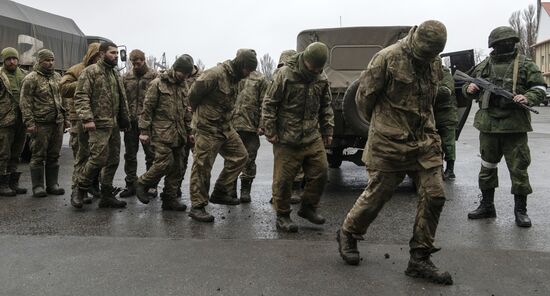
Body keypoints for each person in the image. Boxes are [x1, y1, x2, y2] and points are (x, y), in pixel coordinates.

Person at [336, 20, 453, 285]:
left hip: (424, 139)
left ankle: (419, 259)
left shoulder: (433, 61)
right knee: (378, 194)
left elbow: (432, 96)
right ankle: (348, 233)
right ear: (414, 39)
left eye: (431, 54)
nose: (427, 58)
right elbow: (363, 100)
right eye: (424, 52)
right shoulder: (386, 59)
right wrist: (386, 124)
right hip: (389, 141)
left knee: (435, 196)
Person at [464, 26, 546, 228]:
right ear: (494, 45)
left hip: (515, 126)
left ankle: (521, 210)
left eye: (508, 43)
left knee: (519, 169)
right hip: (489, 126)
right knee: (487, 167)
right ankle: (487, 205)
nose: (505, 46)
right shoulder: (484, 65)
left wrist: (528, 97)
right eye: (501, 44)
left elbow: (540, 87)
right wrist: (470, 88)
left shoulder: (525, 64)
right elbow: (467, 88)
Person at [262, 42, 334, 232]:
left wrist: (328, 130)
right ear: (305, 60)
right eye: (313, 67)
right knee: (284, 180)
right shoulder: (284, 74)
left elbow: (326, 105)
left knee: (322, 171)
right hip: (287, 137)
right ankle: (283, 215)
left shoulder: (321, 77)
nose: (316, 71)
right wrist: (270, 130)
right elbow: (269, 104)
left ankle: (308, 208)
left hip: (311, 134)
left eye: (320, 68)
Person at [187, 49, 257, 222]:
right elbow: (192, 95)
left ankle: (220, 191)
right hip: (207, 127)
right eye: (247, 69)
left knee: (241, 156)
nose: (248, 74)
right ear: (241, 64)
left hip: (225, 127)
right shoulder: (215, 74)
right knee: (202, 166)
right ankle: (197, 206)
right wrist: (199, 117)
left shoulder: (237, 79)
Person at [72, 41, 130, 209]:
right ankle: (79, 189)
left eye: (117, 54)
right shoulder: (90, 72)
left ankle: (106, 195)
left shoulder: (114, 73)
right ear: (102, 53)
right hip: (97, 124)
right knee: (97, 159)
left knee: (113, 160)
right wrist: (87, 119)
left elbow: (121, 98)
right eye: (112, 53)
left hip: (113, 125)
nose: (116, 56)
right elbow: (81, 96)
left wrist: (124, 120)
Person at [135, 54, 194, 211]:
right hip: (161, 132)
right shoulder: (158, 84)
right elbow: (147, 109)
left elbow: (186, 111)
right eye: (184, 73)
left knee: (178, 167)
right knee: (164, 163)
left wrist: (189, 131)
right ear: (176, 69)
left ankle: (169, 198)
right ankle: (142, 183)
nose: (185, 77)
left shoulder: (183, 85)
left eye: (188, 75)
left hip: (179, 133)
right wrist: (144, 131)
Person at [20, 49, 67, 198]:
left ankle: (52, 185)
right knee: (38, 155)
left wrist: (65, 119)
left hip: (57, 122)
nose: (50, 63)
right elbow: (25, 102)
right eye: (47, 60)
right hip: (40, 123)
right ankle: (38, 186)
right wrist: (30, 122)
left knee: (54, 155)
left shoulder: (57, 76)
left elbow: (62, 98)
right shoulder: (31, 78)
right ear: (40, 61)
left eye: (52, 60)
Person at [60, 42, 101, 204]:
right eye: (97, 55)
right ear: (92, 55)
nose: (100, 58)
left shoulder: (105, 71)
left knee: (97, 157)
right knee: (81, 156)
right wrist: (84, 82)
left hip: (99, 120)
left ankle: (91, 188)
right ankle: (77, 191)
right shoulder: (77, 69)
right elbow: (63, 88)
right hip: (79, 119)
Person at [120, 49, 157, 198]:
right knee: (130, 155)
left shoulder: (154, 76)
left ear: (144, 60)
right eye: (133, 63)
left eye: (138, 63)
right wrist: (123, 118)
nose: (136, 66)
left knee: (151, 155)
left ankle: (151, 185)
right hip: (131, 122)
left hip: (148, 123)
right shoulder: (126, 77)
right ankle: (130, 184)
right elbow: (122, 99)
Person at [231, 69, 268, 202]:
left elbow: (265, 102)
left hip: (251, 126)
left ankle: (245, 190)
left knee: (250, 158)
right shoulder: (234, 75)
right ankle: (231, 188)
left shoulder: (260, 79)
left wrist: (262, 124)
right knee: (232, 158)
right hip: (232, 124)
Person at [0, 47, 27, 196]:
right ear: (4, 60)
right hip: (4, 120)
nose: (12, 61)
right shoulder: (0, 74)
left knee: (17, 152)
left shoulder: (24, 75)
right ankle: (2, 184)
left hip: (21, 120)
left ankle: (12, 182)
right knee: (3, 153)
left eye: (14, 58)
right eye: (9, 59)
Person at [434, 66, 458, 180]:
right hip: (431, 115)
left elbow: (446, 91)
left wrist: (427, 88)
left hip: (446, 114)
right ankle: (437, 168)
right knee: (433, 144)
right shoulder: (424, 71)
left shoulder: (444, 72)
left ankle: (450, 170)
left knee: (448, 144)